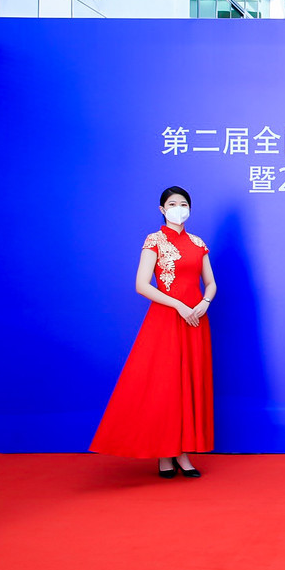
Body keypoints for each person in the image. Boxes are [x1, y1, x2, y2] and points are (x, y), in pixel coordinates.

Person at [90, 186, 216, 476]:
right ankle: (165, 453)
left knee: (189, 385)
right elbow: (142, 284)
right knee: (166, 386)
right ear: (162, 209)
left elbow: (210, 283)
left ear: (190, 209)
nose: (178, 208)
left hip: (195, 320)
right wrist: (179, 305)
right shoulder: (154, 240)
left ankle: (183, 453)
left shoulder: (198, 243)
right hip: (166, 320)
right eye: (172, 204)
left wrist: (204, 303)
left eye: (183, 204)